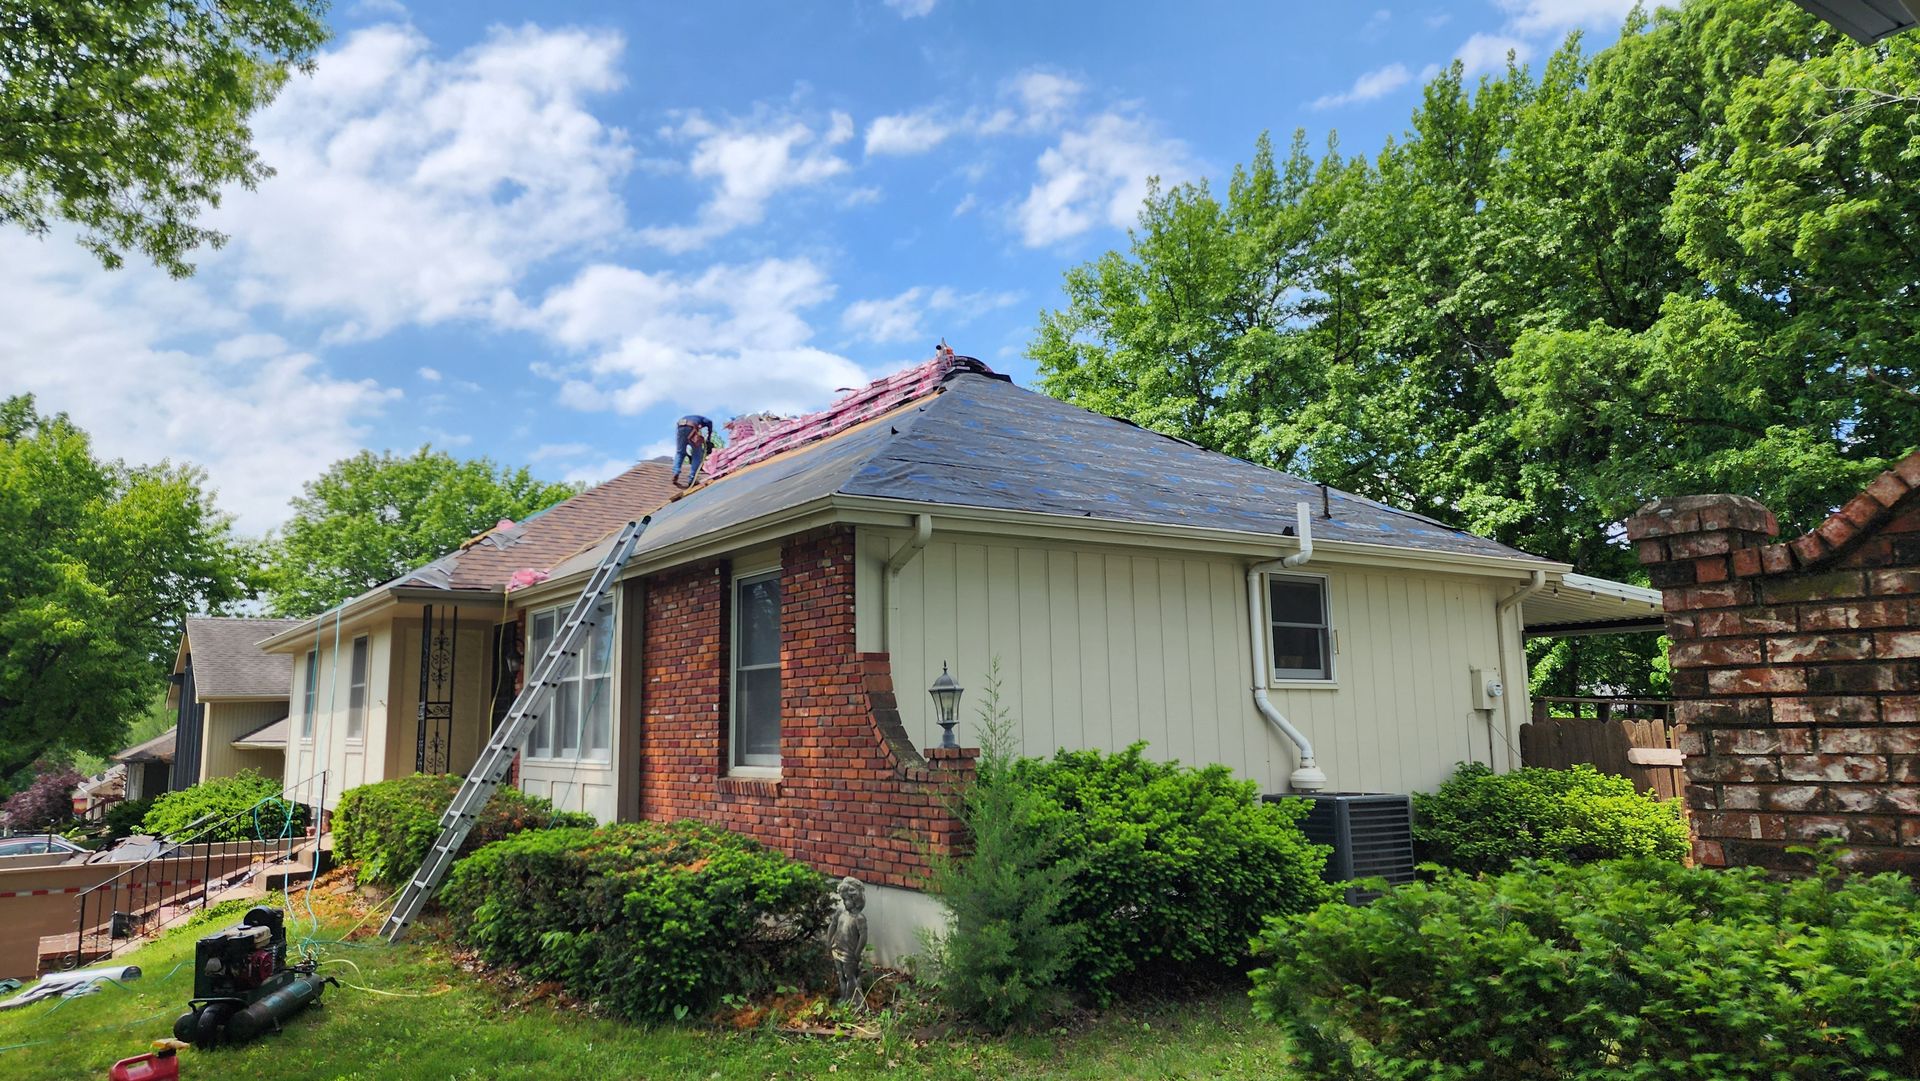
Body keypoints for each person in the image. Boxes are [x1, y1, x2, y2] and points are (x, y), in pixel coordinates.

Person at [672, 414, 714, 486]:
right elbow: (709, 422)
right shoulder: (703, 419)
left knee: (680, 453)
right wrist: (709, 437)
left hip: (680, 427)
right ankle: (692, 478)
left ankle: (676, 472)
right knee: (697, 454)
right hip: (691, 428)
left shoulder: (692, 417)